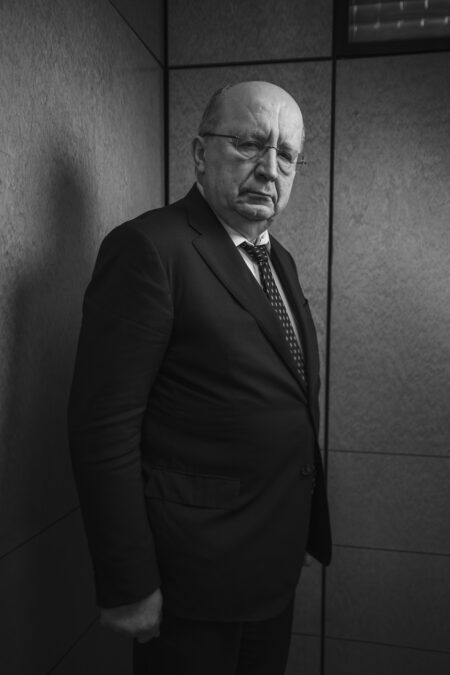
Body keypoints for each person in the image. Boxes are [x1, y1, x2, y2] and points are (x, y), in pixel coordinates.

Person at [68, 80, 331, 675]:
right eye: (250, 144)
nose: (270, 169)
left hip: (272, 562)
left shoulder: (278, 260)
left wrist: (298, 525)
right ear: (199, 154)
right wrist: (128, 582)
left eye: (287, 155)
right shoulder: (148, 248)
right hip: (190, 580)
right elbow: (103, 429)